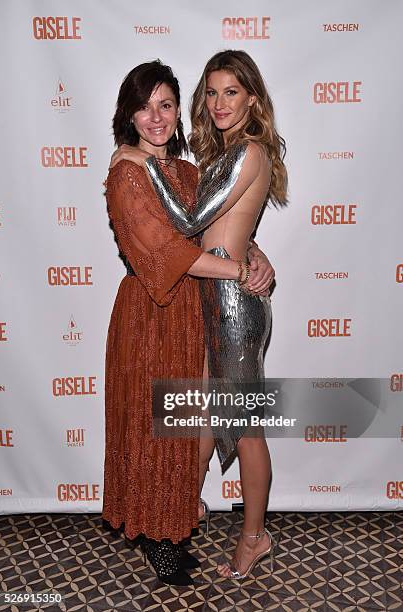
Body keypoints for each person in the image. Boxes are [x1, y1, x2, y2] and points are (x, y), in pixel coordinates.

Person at [102, 60, 274, 586]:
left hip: (198, 311)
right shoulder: (126, 173)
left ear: (179, 113)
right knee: (163, 425)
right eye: (144, 105)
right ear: (128, 115)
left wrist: (259, 254)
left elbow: (211, 224)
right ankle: (160, 533)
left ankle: (183, 519)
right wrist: (240, 266)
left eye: (166, 104)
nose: (155, 116)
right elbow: (165, 251)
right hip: (152, 315)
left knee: (200, 422)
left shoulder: (187, 169)